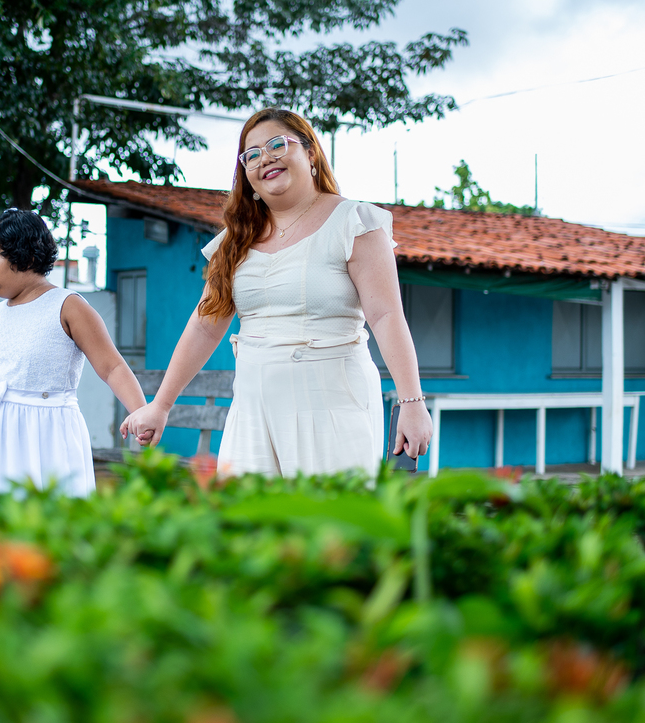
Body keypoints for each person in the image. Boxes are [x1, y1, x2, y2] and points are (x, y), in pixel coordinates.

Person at [120, 107, 432, 477]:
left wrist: (412, 402)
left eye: (277, 145)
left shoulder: (355, 222)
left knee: (328, 511)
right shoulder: (234, 242)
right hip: (252, 410)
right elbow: (205, 326)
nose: (265, 158)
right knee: (248, 511)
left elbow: (386, 316)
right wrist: (161, 404)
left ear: (310, 153)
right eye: (251, 155)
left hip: (333, 405)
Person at [0, 209, 148, 505]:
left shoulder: (68, 305)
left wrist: (141, 412)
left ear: (26, 257)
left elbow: (111, 366)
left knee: (46, 515)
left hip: (45, 432)